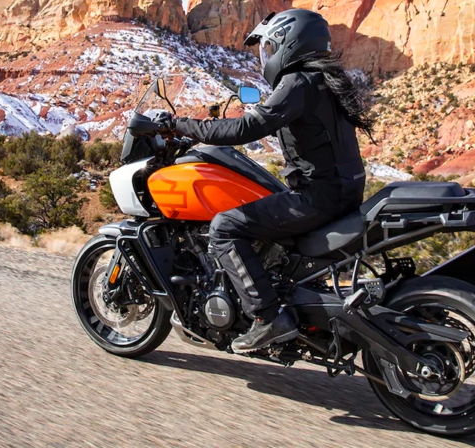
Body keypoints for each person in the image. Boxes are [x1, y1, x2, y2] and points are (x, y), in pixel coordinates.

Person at [160, 9, 373, 353]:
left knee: (225, 227)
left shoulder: (298, 81)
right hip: (343, 192)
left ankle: (268, 317)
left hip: (318, 197)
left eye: (269, 48)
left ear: (290, 42)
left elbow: (247, 128)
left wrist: (181, 125)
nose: (266, 56)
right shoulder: (325, 80)